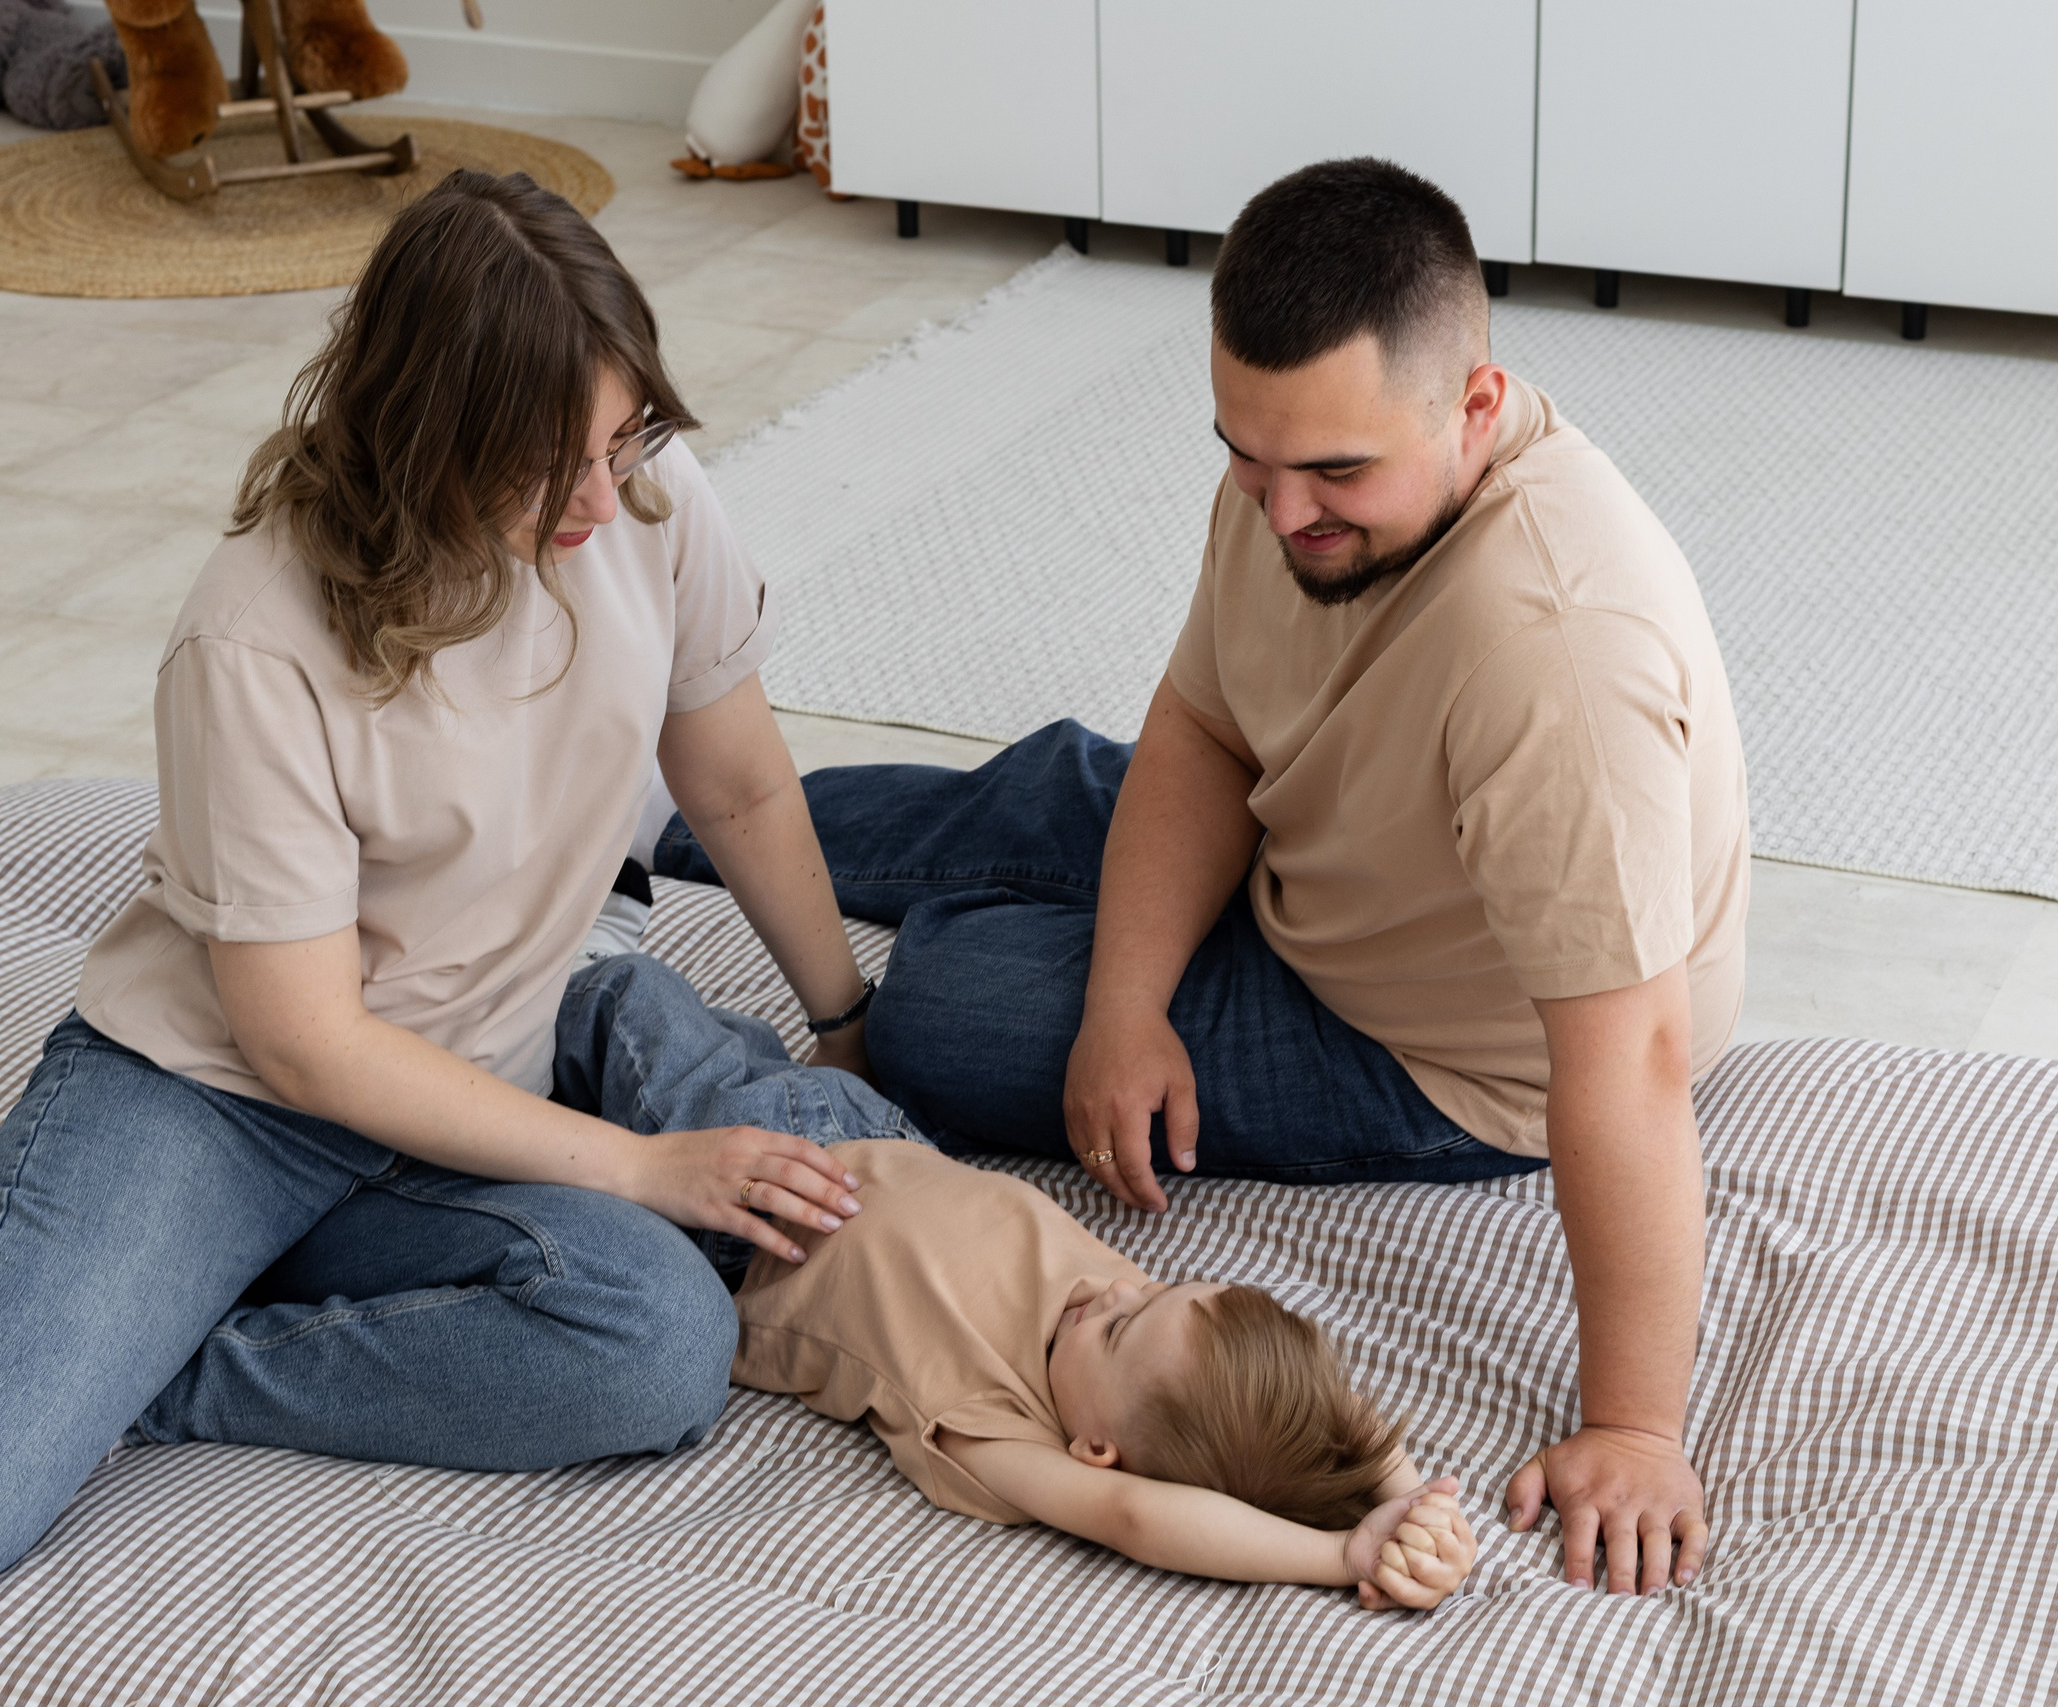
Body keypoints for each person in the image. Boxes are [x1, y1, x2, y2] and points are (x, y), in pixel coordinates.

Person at [0, 170, 907, 1621]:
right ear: (426, 434)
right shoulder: (256, 631)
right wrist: (643, 1168)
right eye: (545, 465)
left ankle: (151, 1366)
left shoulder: (643, 500)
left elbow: (743, 787)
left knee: (656, 1339)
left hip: (469, 1097)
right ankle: (21, 1358)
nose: (601, 499)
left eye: (624, 433)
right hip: (221, 1102)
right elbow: (305, 1043)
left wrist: (841, 1015)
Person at [661, 157, 1748, 1597]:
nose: (1282, 508)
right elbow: (1208, 724)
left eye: (1335, 474)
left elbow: (1632, 1056)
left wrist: (1634, 1424)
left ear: (1475, 404)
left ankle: (959, 910)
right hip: (1336, 840)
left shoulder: (1556, 655)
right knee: (1063, 784)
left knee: (948, 1007)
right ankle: (645, 814)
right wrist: (1125, 999)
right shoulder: (1304, 474)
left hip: (1426, 1043)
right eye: (1249, 453)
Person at [732, 1138, 1476, 1607]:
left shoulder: (1005, 1432)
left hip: (746, 1225)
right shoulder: (1153, 1332)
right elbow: (1314, 1401)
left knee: (637, 1009)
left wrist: (1346, 1554)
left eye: (1119, 1326)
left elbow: (1137, 1516)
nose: (1118, 1288)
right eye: (1157, 1287)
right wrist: (1411, 1495)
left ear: (1096, 1449)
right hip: (864, 1128)